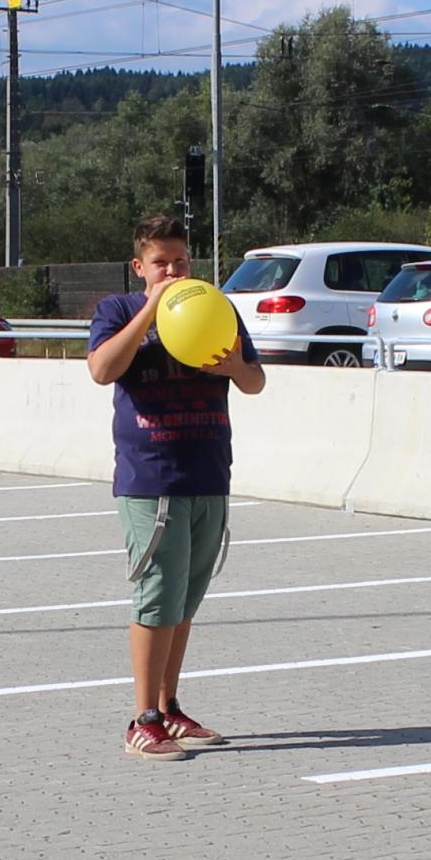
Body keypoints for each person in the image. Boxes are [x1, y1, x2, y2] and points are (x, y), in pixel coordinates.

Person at [82, 210, 264, 757]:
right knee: (157, 597)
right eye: (161, 262)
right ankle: (142, 720)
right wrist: (151, 312)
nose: (173, 270)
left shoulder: (216, 306)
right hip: (151, 476)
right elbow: (101, 369)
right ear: (139, 266)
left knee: (184, 601)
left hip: (207, 470)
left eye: (181, 261)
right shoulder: (118, 310)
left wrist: (234, 366)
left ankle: (168, 708)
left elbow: (254, 381)